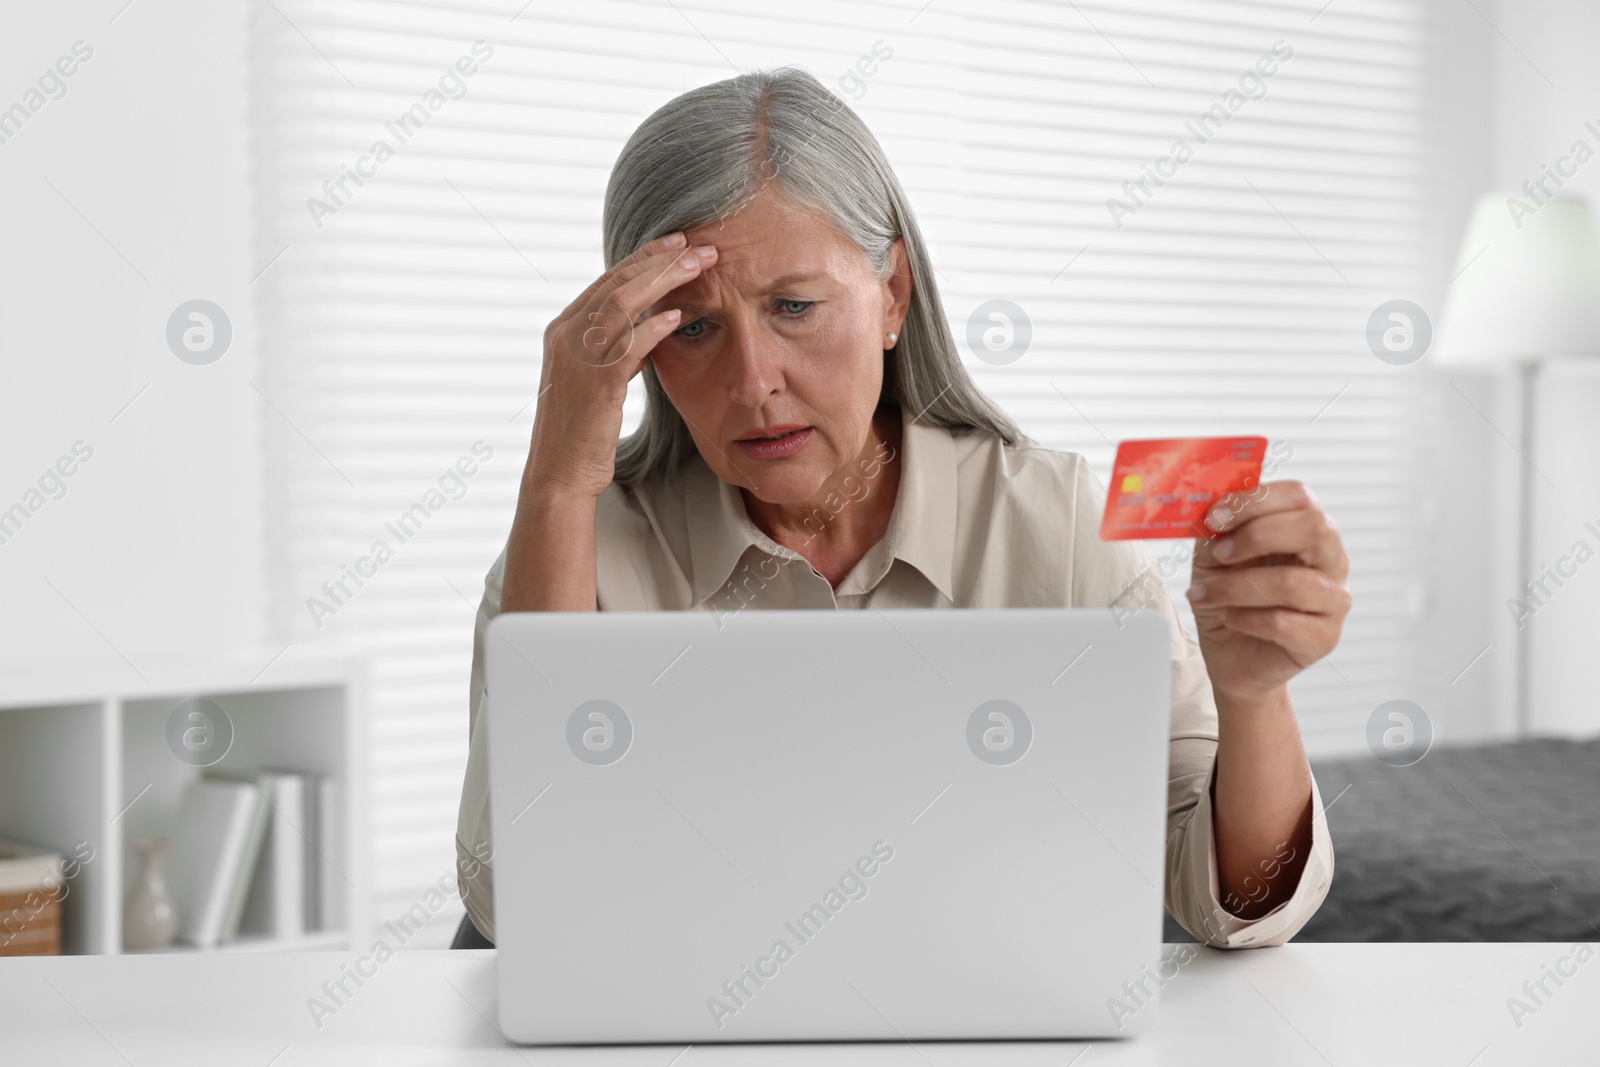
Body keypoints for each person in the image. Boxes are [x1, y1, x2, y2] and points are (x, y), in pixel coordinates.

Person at [454, 66, 1346, 950]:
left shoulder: (1055, 523)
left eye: (794, 306)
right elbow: (517, 909)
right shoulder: (579, 546)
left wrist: (1252, 692)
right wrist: (558, 481)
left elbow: (1232, 903)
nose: (753, 382)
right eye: (692, 326)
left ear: (892, 294)